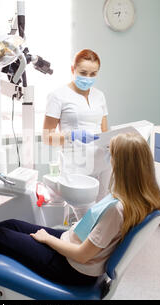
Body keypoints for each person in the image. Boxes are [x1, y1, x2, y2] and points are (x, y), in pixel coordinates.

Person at [0, 132, 160, 286]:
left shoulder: (117, 210)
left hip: (71, 268)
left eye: (113, 155)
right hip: (71, 247)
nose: (110, 159)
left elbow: (84, 256)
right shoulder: (137, 200)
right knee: (12, 224)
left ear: (126, 165)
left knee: (1, 238)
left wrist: (46, 240)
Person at [42, 49, 110, 201]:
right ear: (73, 69)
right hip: (76, 164)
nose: (88, 77)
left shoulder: (99, 96)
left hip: (103, 163)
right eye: (83, 72)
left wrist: (112, 144)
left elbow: (105, 131)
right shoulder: (58, 96)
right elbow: (47, 138)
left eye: (93, 74)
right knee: (81, 211)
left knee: (101, 208)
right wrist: (72, 135)